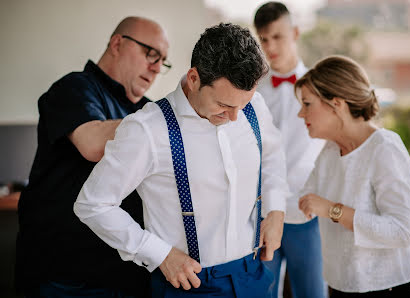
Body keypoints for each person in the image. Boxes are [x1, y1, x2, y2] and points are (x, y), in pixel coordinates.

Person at [74, 23, 289, 297]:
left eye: (242, 105)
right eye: (224, 106)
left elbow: (271, 153)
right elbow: (93, 204)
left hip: (254, 276)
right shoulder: (147, 129)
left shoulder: (254, 106)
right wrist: (158, 254)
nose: (235, 117)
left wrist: (276, 210)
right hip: (190, 285)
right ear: (194, 78)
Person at [16, 16, 170, 297]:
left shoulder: (151, 111)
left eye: (163, 61)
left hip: (129, 273)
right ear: (117, 43)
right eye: (151, 54)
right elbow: (92, 144)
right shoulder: (73, 88)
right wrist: (169, 119)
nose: (157, 67)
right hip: (67, 277)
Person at [296, 55, 410, 297]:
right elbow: (305, 200)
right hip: (341, 285)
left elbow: (402, 231)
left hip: (388, 288)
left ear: (337, 104)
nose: (301, 114)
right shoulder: (330, 150)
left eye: (307, 104)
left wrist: (333, 210)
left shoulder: (385, 148)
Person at [253, 2, 326, 297]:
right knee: (263, 292)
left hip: (306, 213)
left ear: (295, 32)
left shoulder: (322, 87)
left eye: (277, 36)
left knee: (312, 293)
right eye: (264, 39)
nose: (270, 46)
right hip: (262, 213)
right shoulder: (252, 91)